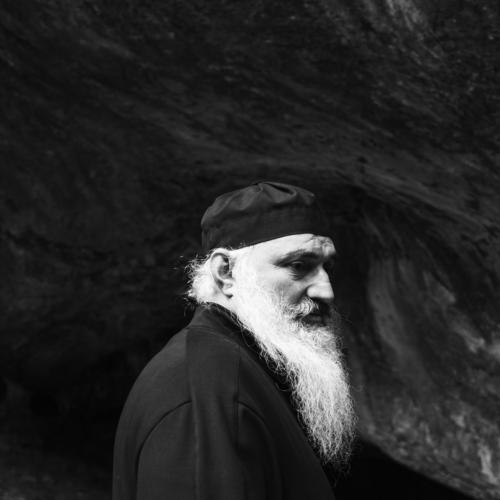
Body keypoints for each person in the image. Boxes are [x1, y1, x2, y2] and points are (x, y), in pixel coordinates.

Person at [112, 181, 355, 500]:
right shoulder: (205, 388)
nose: (326, 291)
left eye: (327, 268)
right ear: (225, 273)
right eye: (298, 266)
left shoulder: (238, 370)